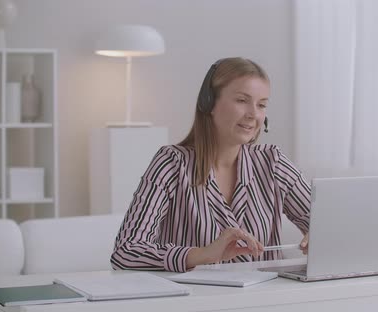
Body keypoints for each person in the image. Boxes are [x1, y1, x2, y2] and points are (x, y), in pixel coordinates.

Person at [111, 57, 311, 272]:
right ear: (209, 103)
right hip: (196, 301)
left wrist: (324, 234)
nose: (253, 114)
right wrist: (202, 254)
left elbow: (329, 225)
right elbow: (126, 252)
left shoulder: (273, 162)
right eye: (242, 101)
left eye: (261, 105)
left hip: (265, 301)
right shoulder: (171, 163)